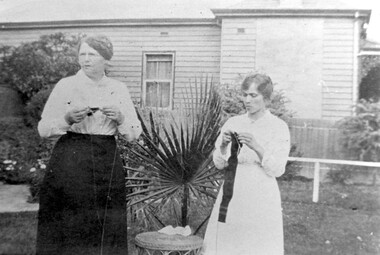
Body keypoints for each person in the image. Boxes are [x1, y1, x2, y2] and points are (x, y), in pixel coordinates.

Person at [36, 35, 142, 255]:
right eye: (82, 54)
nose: (86, 60)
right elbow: (43, 129)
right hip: (71, 158)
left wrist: (121, 118)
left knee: (106, 221)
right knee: (71, 220)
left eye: (92, 55)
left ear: (105, 59)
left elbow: (133, 134)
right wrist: (66, 119)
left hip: (107, 159)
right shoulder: (66, 85)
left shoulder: (118, 88)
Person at [202, 73, 290, 255]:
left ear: (266, 99)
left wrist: (257, 147)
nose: (247, 100)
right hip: (234, 187)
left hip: (261, 191)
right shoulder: (233, 122)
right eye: (245, 95)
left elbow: (278, 169)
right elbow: (219, 163)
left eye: (253, 95)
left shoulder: (278, 126)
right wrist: (225, 145)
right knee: (229, 240)